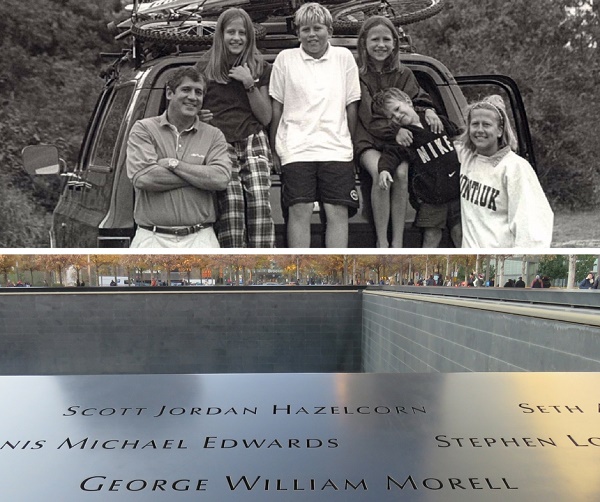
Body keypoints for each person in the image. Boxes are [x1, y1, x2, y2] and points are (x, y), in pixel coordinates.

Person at [269, 2, 361, 248]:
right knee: (299, 210)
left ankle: (334, 274)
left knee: (337, 212)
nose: (311, 34)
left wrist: (349, 144)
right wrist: (274, 148)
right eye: (305, 29)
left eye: (317, 28)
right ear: (297, 33)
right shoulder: (285, 59)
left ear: (329, 31)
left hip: (336, 148)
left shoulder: (344, 58)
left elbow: (352, 105)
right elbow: (276, 106)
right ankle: (299, 276)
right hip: (296, 148)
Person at [354, 16, 442, 247]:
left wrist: (429, 110)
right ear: (364, 43)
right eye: (375, 39)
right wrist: (395, 131)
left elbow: (416, 100)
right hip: (370, 138)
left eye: (386, 39)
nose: (380, 45)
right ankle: (382, 242)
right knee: (380, 173)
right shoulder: (357, 74)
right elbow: (367, 116)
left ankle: (398, 242)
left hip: (399, 141)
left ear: (395, 43)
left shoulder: (404, 74)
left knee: (402, 174)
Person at [126, 67, 232, 248]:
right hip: (152, 238)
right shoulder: (144, 129)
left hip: (201, 238)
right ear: (169, 93)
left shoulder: (214, 135)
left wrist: (172, 164)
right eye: (186, 90)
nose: (192, 97)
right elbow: (144, 178)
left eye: (198, 92)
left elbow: (221, 179)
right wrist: (200, 176)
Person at [196, 8, 275, 248]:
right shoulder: (204, 68)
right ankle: (234, 267)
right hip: (219, 141)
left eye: (242, 33)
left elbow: (266, 117)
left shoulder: (260, 66)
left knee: (260, 203)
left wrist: (249, 83)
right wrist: (198, 117)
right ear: (220, 35)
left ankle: (263, 267)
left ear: (250, 37)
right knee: (231, 206)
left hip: (253, 139)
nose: (236, 38)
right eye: (231, 32)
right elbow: (189, 109)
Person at [457, 95, 553, 248]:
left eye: (487, 124)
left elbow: (532, 227)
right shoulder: (467, 156)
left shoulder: (515, 167)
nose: (479, 130)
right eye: (475, 124)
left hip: (499, 258)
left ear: (500, 130)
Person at [372, 88, 461, 248]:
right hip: (431, 196)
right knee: (431, 236)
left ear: (407, 100)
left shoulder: (436, 121)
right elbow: (392, 153)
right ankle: (424, 268)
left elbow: (459, 135)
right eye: (392, 116)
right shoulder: (406, 137)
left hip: (457, 192)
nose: (397, 116)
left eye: (397, 109)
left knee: (460, 234)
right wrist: (384, 170)